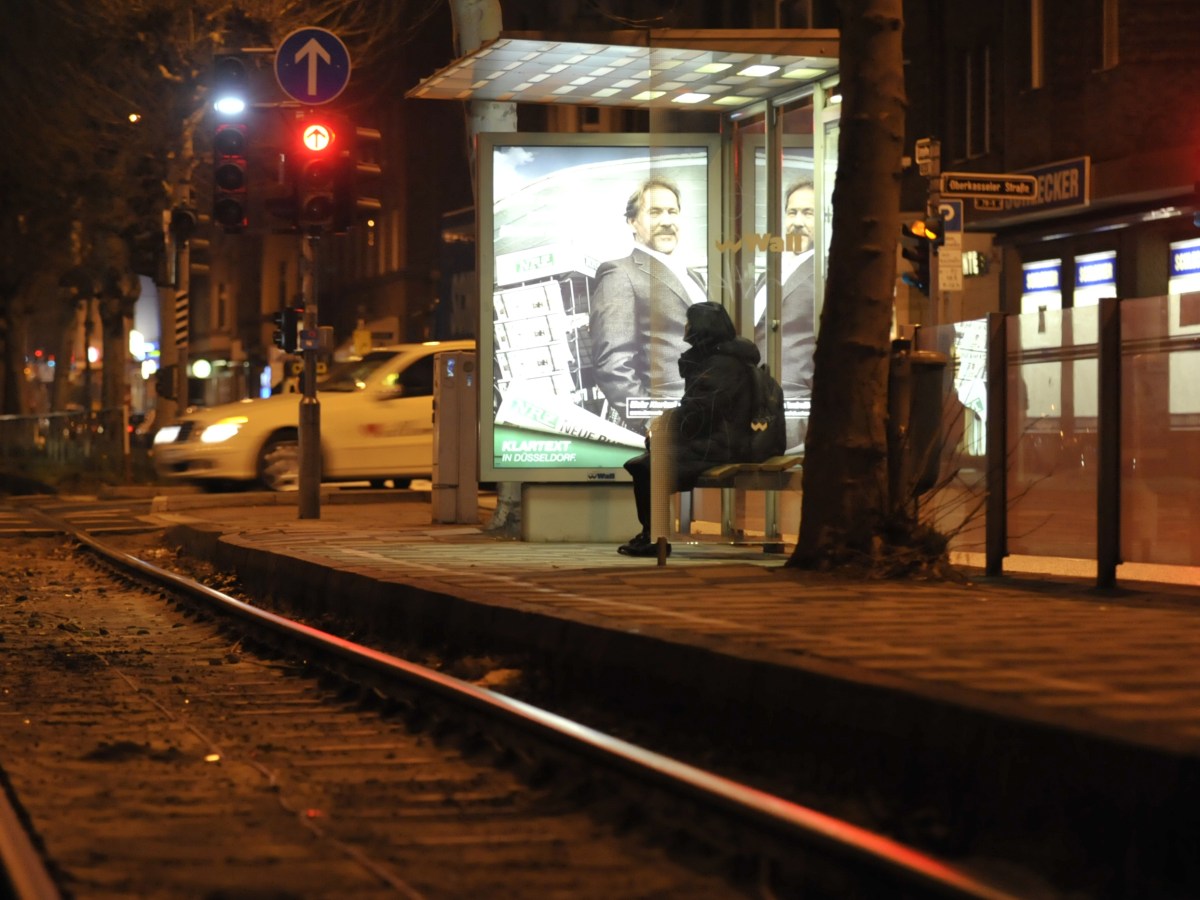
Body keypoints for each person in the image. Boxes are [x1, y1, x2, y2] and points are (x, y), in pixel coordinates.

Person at [618, 301, 759, 557]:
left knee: (647, 468)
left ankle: (654, 538)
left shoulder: (720, 365)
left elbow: (701, 410)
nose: (686, 327)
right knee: (645, 464)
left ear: (701, 327)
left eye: (690, 322)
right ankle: (652, 534)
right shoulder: (718, 360)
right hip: (716, 442)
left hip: (720, 447)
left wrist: (663, 426)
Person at [589, 177, 709, 434]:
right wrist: (651, 423)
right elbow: (612, 362)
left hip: (711, 426)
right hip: (673, 429)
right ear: (632, 222)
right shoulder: (619, 273)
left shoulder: (693, 277)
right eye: (654, 212)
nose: (666, 221)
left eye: (672, 212)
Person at [754, 179, 816, 451]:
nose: (798, 221)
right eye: (792, 212)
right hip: (759, 402)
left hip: (795, 406)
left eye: (808, 212)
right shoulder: (772, 270)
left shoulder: (823, 273)